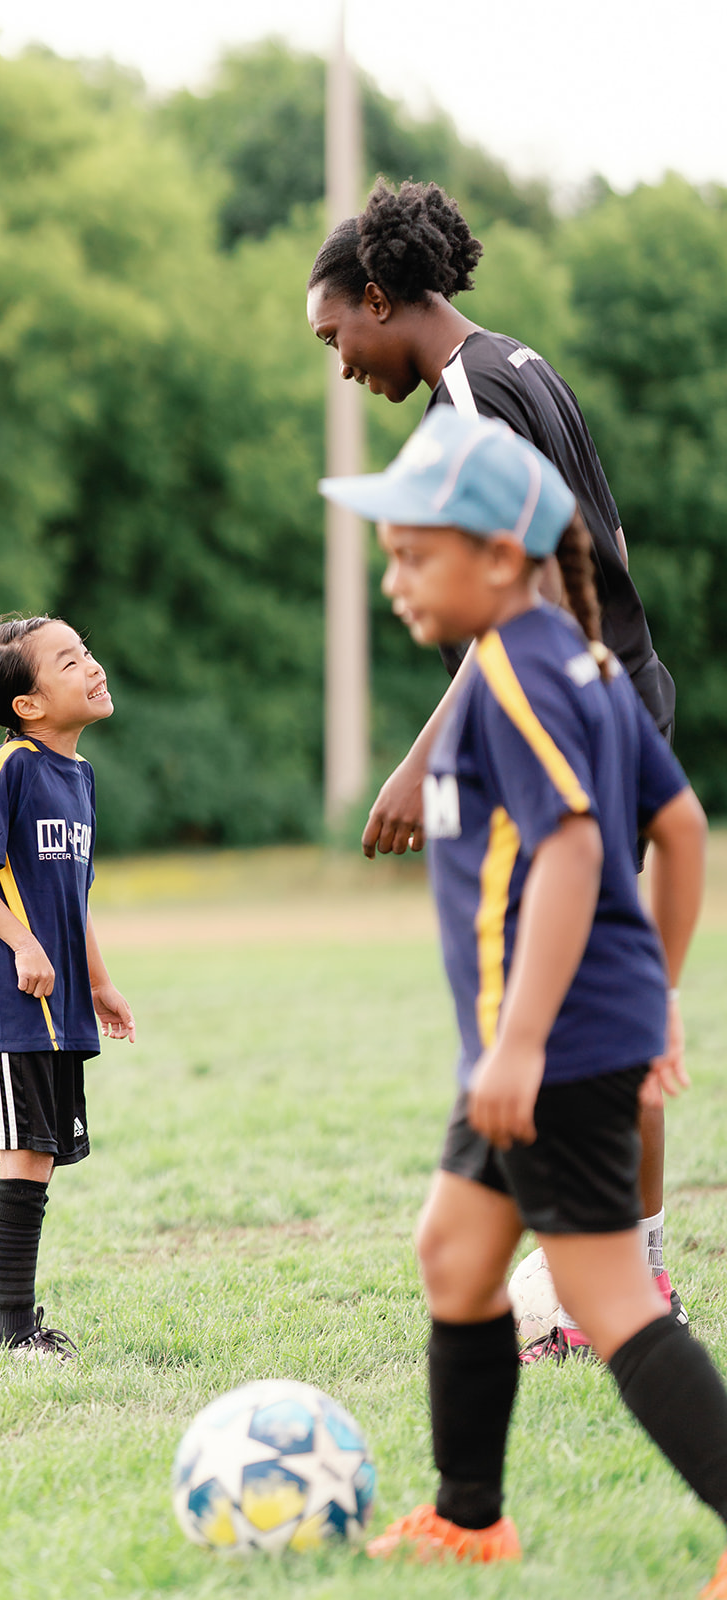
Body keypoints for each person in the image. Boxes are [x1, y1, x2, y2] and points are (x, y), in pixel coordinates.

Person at [319, 409, 727, 1592]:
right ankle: (468, 1516)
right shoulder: (582, 663)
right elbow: (681, 828)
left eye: (412, 555)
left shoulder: (514, 673)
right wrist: (654, 998)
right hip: (546, 1045)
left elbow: (565, 853)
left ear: (499, 557)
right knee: (453, 1255)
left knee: (608, 1303)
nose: (394, 582)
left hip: (539, 1055)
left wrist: (525, 1044)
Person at [307, 177, 683, 1347]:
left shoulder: (466, 398)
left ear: (379, 298)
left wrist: (424, 756)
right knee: (600, 999)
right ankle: (624, 1268)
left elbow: (517, 586)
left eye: (335, 336)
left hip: (572, 723)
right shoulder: (522, 363)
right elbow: (599, 538)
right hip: (616, 699)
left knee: (573, 1005)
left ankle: (615, 1280)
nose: (340, 365)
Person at [0, 614, 136, 1361]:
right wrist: (22, 942)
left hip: (59, 1007)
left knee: (42, 1156)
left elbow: (72, 895)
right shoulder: (12, 767)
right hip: (6, 1010)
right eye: (68, 660)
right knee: (25, 1154)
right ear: (28, 705)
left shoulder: (80, 778)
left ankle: (14, 1323)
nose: (92, 665)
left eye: (87, 650)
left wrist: (101, 980)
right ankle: (9, 1329)